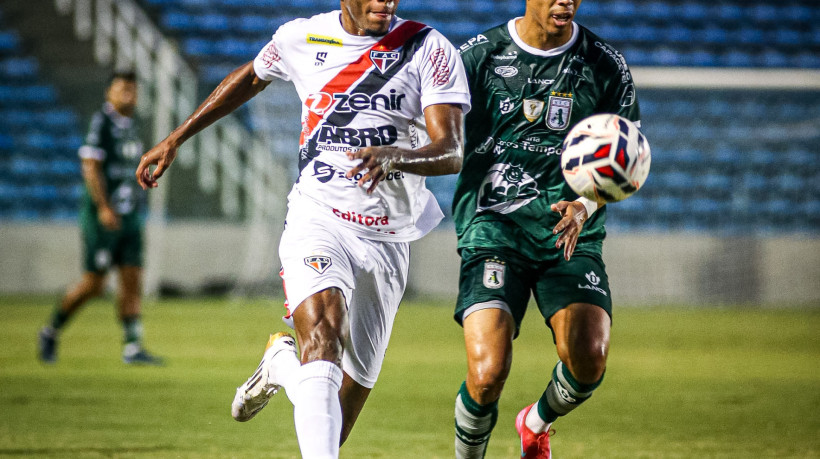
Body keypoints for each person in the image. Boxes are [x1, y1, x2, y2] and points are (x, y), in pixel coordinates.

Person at [135, 1, 470, 456]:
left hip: (390, 237)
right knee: (324, 335)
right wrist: (176, 137)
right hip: (319, 216)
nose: (385, 3)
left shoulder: (426, 47)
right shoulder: (301, 37)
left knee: (339, 411)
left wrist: (398, 156)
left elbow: (450, 150)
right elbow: (252, 76)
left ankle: (280, 365)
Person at [450, 0, 641, 457]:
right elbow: (433, 128)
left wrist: (584, 204)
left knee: (589, 360)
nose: (565, 2)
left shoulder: (603, 63)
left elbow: (629, 157)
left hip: (569, 234)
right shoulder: (479, 56)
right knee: (488, 373)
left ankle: (534, 423)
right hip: (495, 230)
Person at [38, 70, 163, 365]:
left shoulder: (133, 126)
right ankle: (51, 330)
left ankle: (132, 346)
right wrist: (103, 207)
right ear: (109, 92)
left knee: (132, 277)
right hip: (103, 217)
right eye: (122, 90)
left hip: (130, 215)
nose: (128, 95)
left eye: (132, 90)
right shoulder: (101, 123)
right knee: (94, 284)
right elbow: (91, 166)